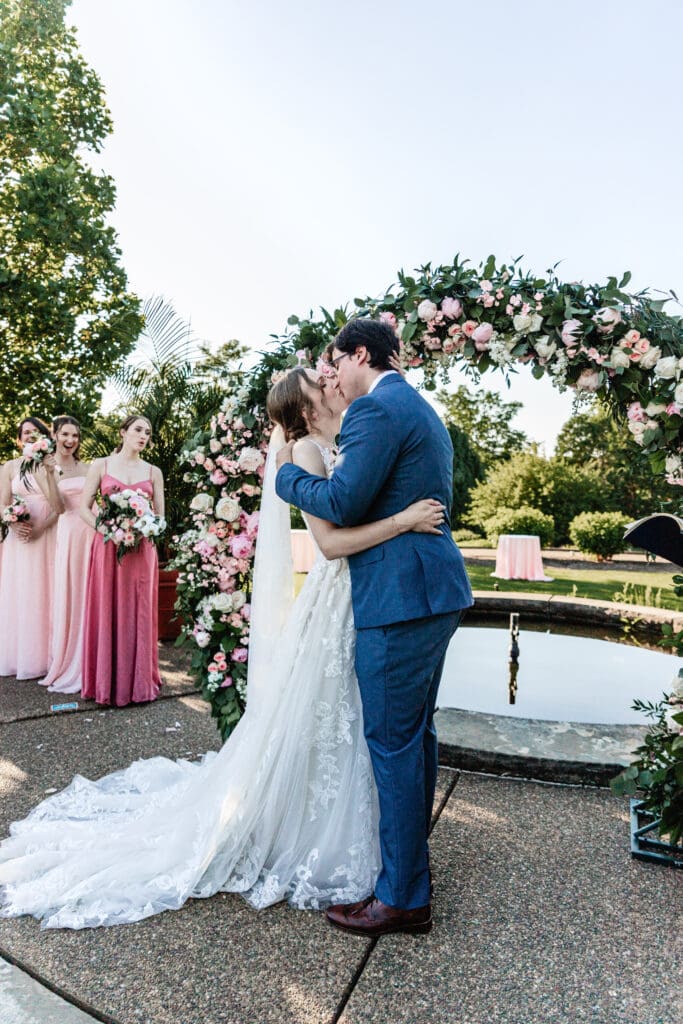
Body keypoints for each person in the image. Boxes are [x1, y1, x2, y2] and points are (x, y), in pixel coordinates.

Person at [0, 369, 445, 929]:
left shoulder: (349, 438)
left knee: (365, 725)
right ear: (305, 408)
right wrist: (404, 520)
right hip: (343, 597)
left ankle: (392, 847)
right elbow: (329, 543)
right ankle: (357, 845)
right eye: (320, 382)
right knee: (350, 723)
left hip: (365, 600)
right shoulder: (305, 451)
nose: (331, 381)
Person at [276, 317, 473, 937]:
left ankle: (403, 898)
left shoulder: (376, 411)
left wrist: (283, 473)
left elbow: (339, 505)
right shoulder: (412, 407)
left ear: (362, 353)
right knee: (414, 737)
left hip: (400, 599)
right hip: (428, 592)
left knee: (391, 742)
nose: (332, 372)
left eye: (338, 359)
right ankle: (411, 869)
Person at [79, 415, 164, 706]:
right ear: (123, 432)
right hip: (108, 547)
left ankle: (138, 683)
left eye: (148, 432)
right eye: (138, 430)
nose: (143, 435)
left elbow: (160, 518)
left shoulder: (153, 471)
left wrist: (145, 528)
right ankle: (106, 681)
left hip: (141, 550)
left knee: (137, 610)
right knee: (107, 606)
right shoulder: (100, 465)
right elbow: (83, 507)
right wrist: (106, 529)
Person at [0, 417, 61, 679]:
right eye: (25, 432)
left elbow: (59, 506)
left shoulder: (50, 465)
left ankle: (49, 656)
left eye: (35, 432)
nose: (29, 436)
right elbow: (3, 503)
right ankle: (19, 656)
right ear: (18, 438)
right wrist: (11, 523)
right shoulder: (10, 466)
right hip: (19, 537)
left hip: (46, 532)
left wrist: (40, 528)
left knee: (46, 589)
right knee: (21, 591)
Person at [38, 417, 93, 694]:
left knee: (92, 592)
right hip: (70, 533)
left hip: (93, 532)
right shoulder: (48, 469)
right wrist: (49, 474)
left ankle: (94, 658)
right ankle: (70, 659)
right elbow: (58, 508)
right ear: (55, 436)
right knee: (73, 593)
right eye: (65, 434)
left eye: (75, 435)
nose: (70, 440)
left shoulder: (89, 466)